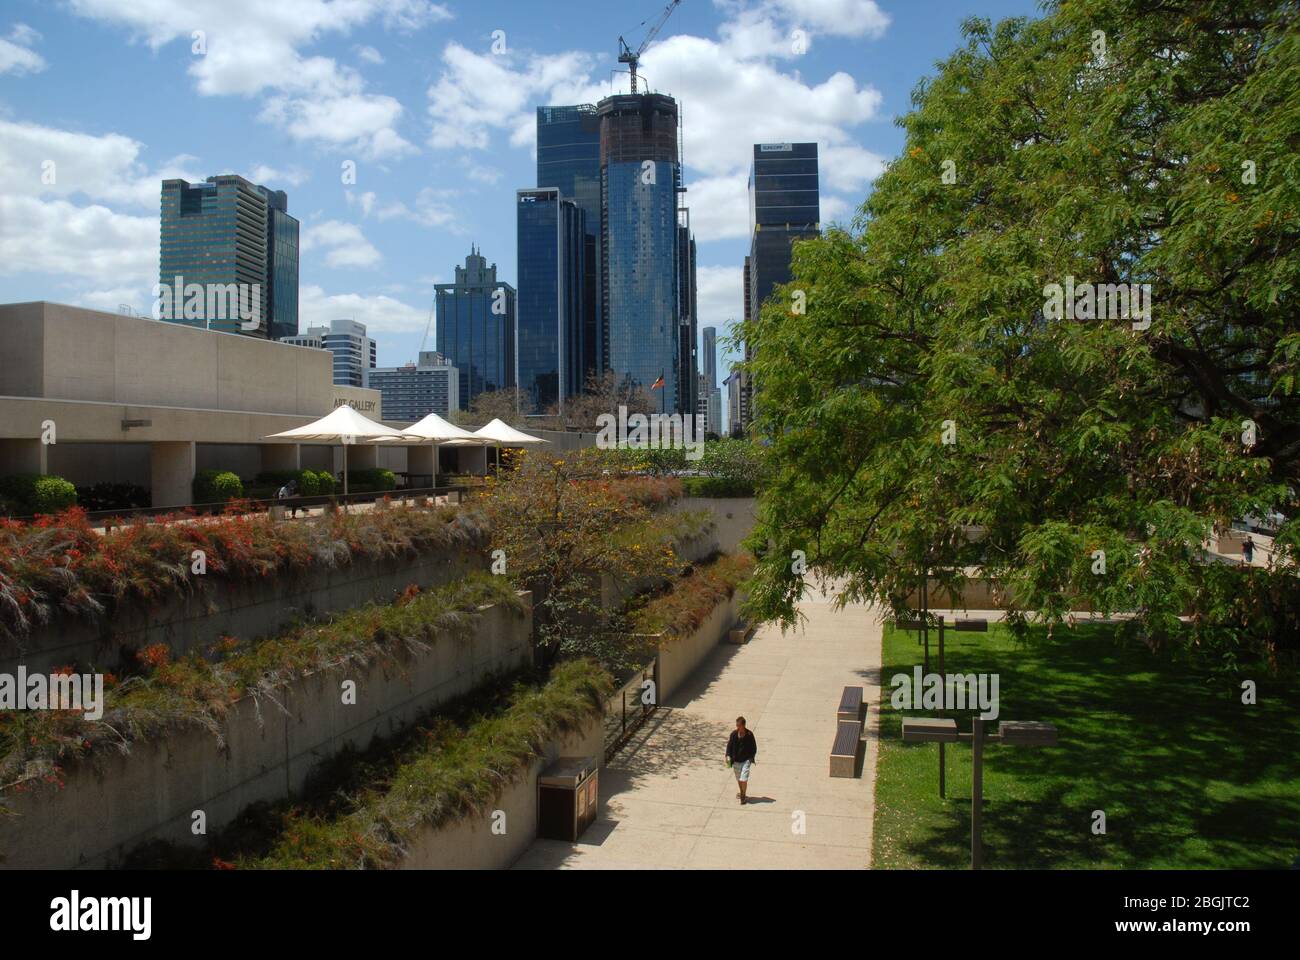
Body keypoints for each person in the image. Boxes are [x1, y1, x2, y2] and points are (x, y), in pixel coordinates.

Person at [725, 716, 758, 805]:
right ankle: (742, 792)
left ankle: (743, 796)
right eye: (737, 725)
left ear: (743, 725)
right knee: (739, 778)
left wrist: (751, 758)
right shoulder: (734, 734)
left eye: (739, 725)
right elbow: (729, 746)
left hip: (746, 760)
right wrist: (728, 756)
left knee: (744, 778)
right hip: (736, 760)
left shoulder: (749, 735)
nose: (737, 727)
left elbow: (754, 747)